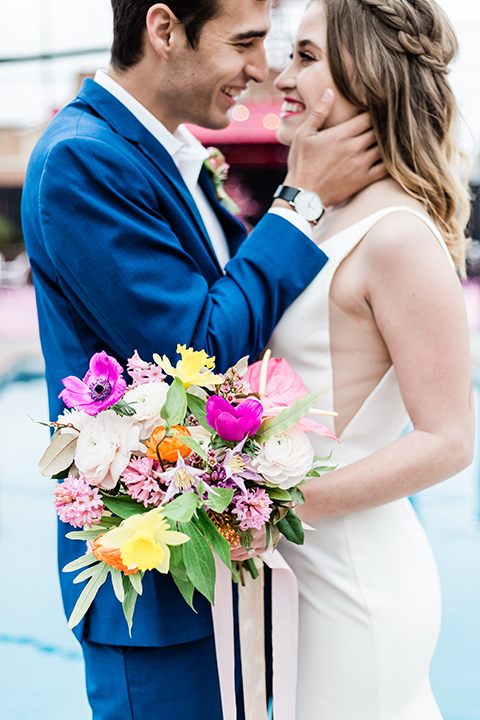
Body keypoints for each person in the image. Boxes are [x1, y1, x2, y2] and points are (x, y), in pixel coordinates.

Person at [21, 1, 385, 718]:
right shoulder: (81, 159)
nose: (263, 68)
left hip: (230, 571)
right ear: (164, 31)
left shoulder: (169, 152)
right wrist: (301, 201)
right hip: (157, 589)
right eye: (244, 42)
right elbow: (200, 347)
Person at [266, 0, 475, 718]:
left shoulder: (396, 236)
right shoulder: (317, 214)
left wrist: (273, 507)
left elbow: (449, 440)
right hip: (301, 569)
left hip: (354, 579)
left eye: (305, 56)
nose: (280, 75)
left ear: (367, 75)